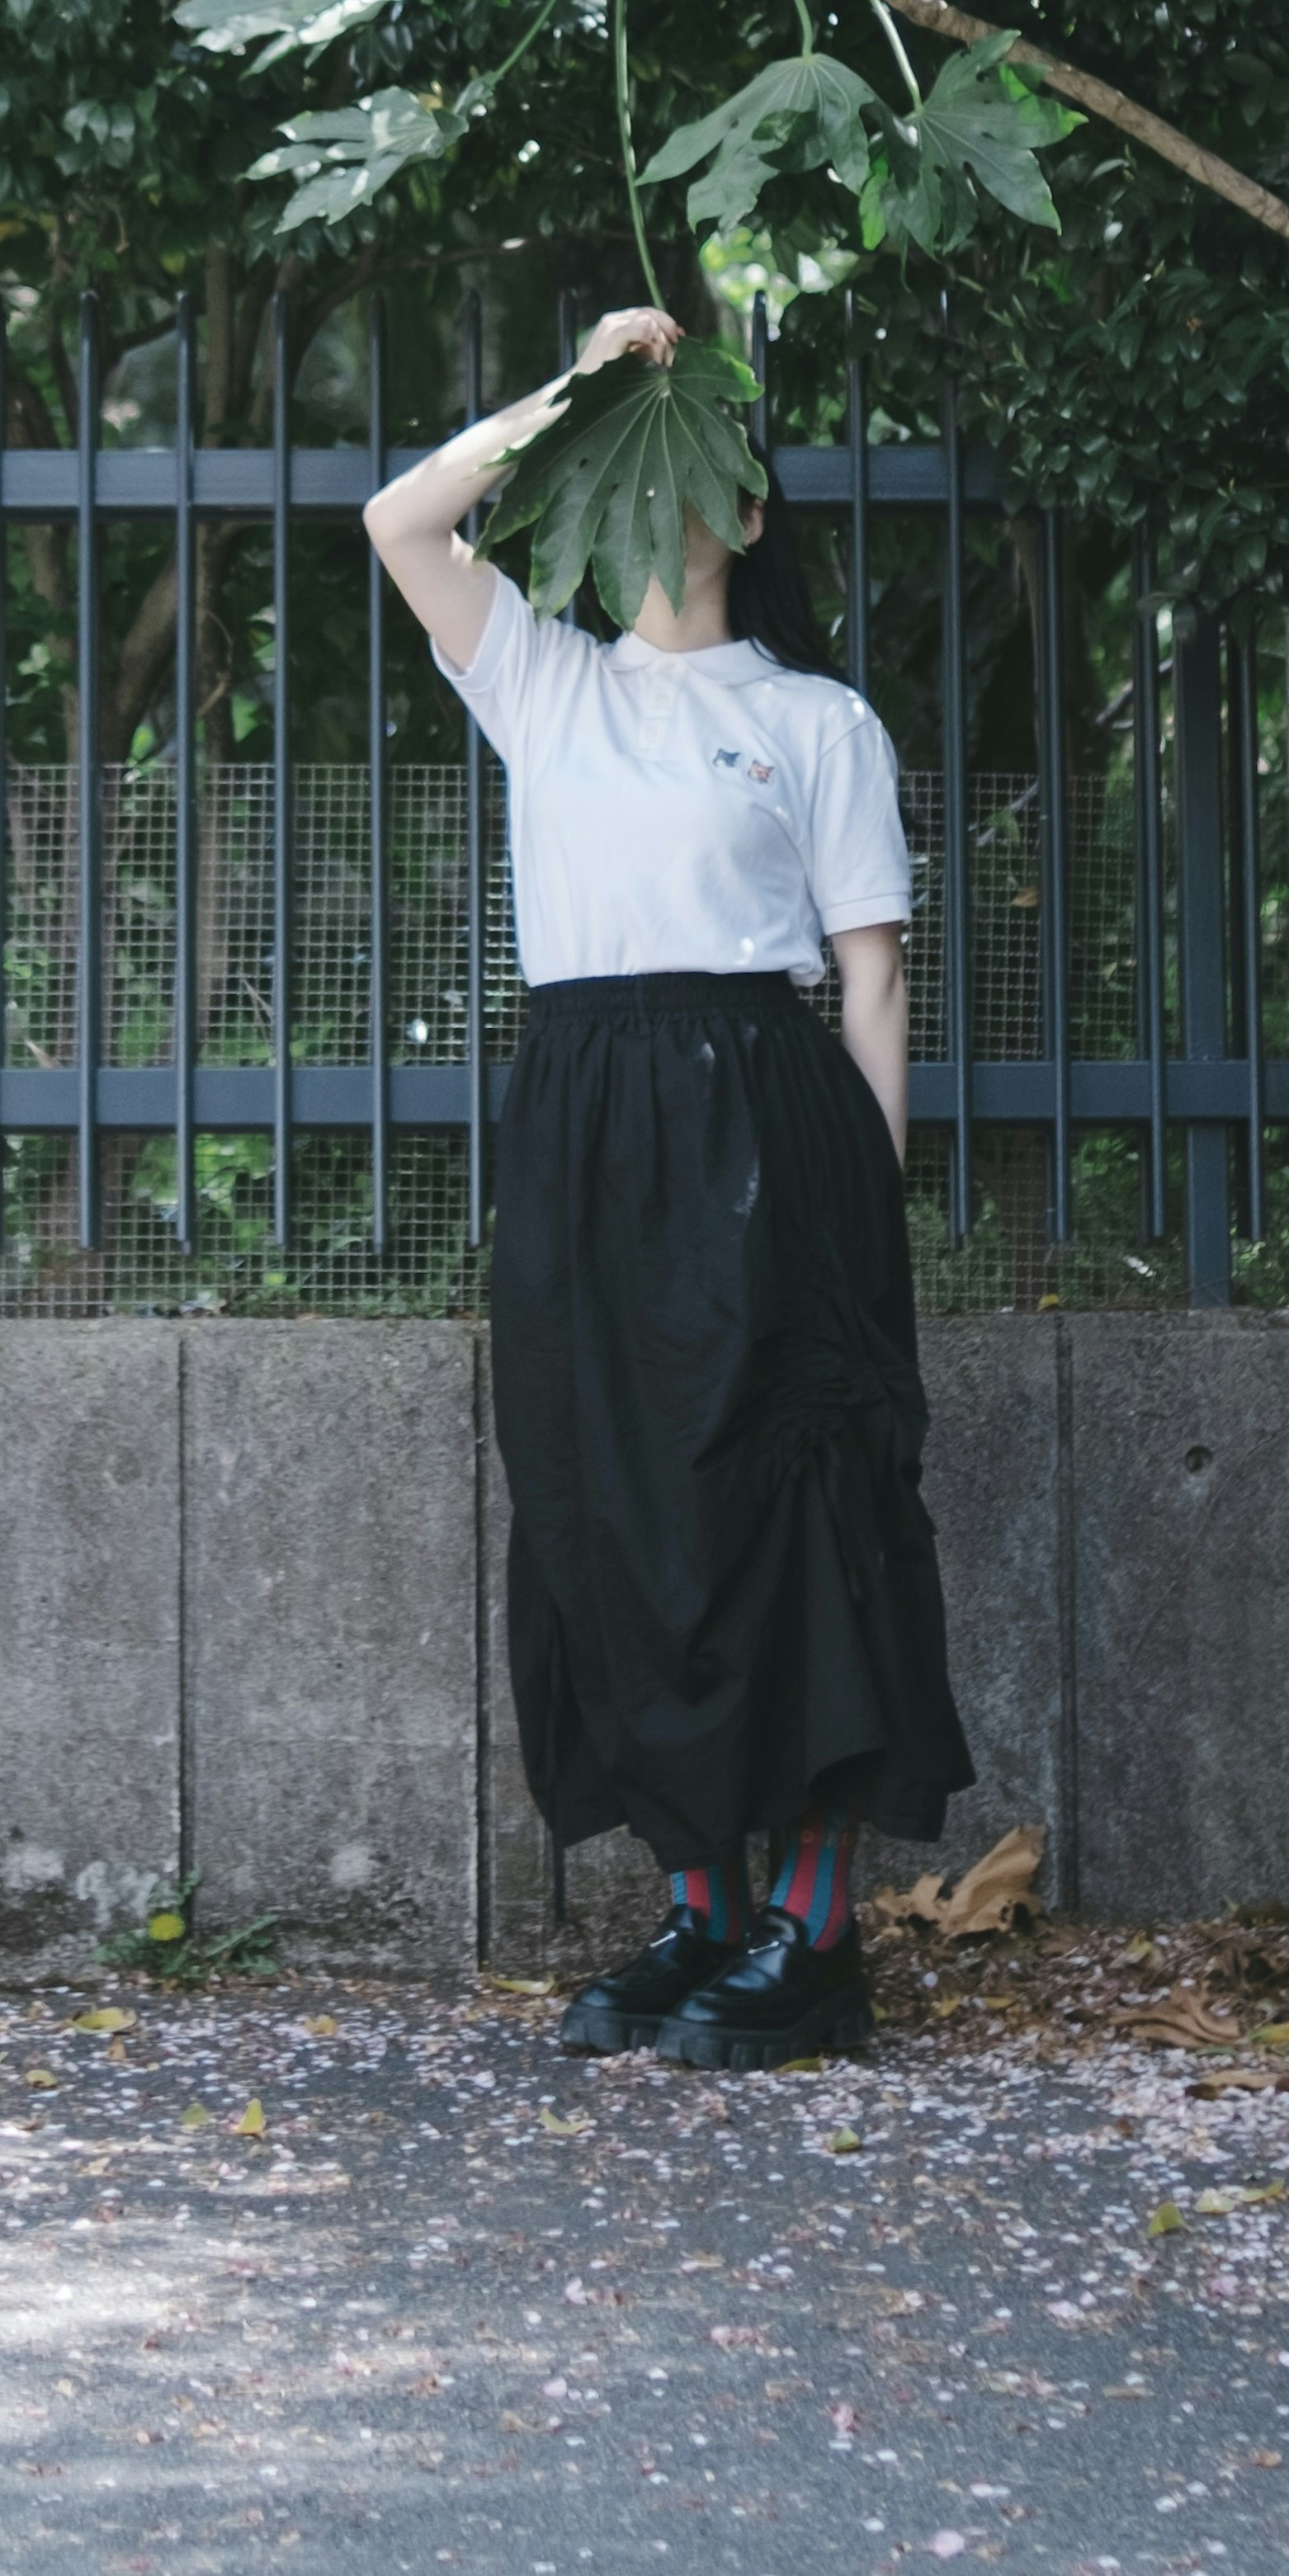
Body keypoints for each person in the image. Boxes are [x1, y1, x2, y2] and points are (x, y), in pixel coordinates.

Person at [364, 304, 973, 2067]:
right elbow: (400, 524)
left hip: (769, 1122)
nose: (664, 493)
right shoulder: (541, 678)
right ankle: (696, 1909)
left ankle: (812, 1933)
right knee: (609, 1505)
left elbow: (870, 979)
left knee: (792, 1501)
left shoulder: (817, 721)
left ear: (754, 512)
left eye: (700, 462)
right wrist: (580, 385)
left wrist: (869, 1215)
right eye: (632, 463)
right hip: (580, 1121)